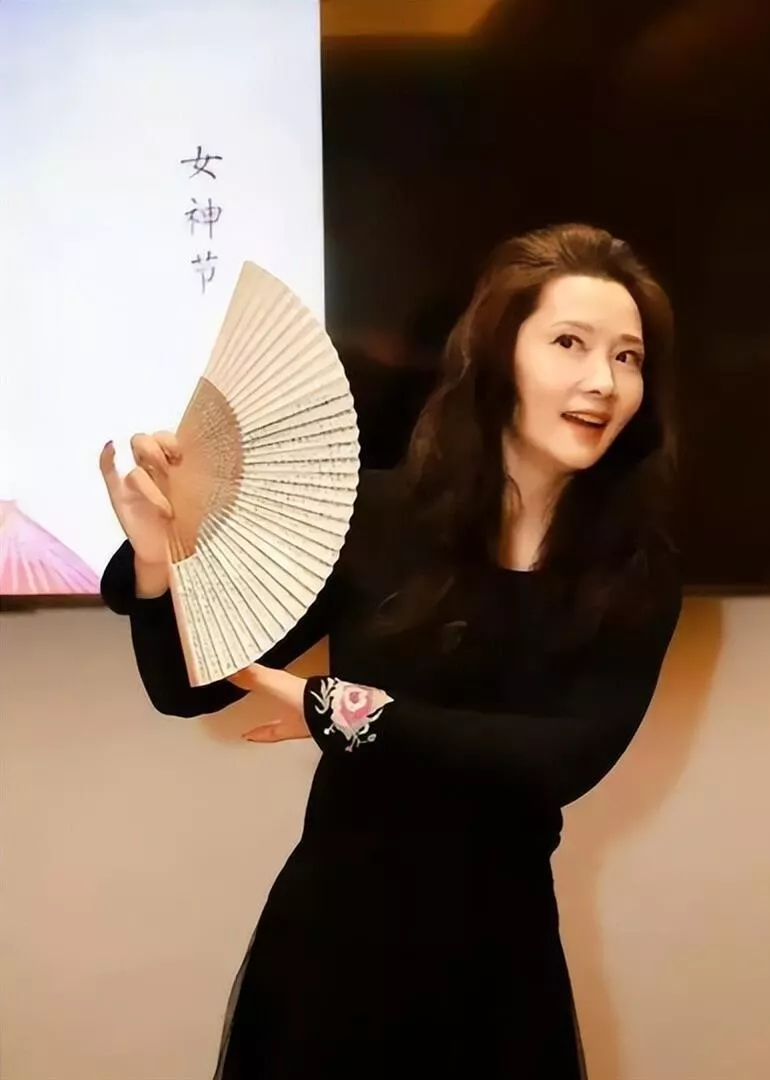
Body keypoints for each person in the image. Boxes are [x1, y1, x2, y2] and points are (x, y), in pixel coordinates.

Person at [99, 223, 681, 1080]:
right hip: (332, 955)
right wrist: (159, 559)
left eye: (628, 358)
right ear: (498, 355)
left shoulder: (634, 570)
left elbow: (562, 760)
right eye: (570, 343)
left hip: (501, 966)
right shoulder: (373, 519)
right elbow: (186, 688)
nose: (604, 380)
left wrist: (339, 710)